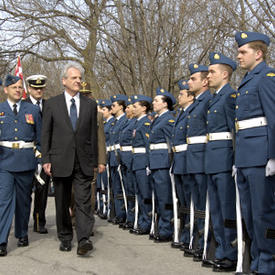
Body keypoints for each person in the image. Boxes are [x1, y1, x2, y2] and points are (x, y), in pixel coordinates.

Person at [41, 63, 98, 256]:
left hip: (83, 161)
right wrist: (46, 159)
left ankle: (83, 239)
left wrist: (95, 160)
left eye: (80, 78)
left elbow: (93, 135)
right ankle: (65, 237)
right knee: (62, 201)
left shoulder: (90, 105)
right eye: (74, 78)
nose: (78, 81)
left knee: (83, 202)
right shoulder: (52, 104)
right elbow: (46, 133)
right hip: (60, 160)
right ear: (64, 80)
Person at [234, 31, 275, 274]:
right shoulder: (248, 79)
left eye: (243, 51)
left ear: (258, 54)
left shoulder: (267, 77)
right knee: (250, 215)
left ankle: (268, 262)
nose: (238, 56)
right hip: (245, 157)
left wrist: (273, 155)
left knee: (263, 213)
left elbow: (273, 118)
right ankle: (258, 261)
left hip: (261, 156)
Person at [0, 75, 41, 256]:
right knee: (3, 201)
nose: (17, 90)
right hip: (4, 161)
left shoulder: (32, 109)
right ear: (5, 89)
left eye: (19, 87)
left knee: (23, 201)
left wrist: (40, 159)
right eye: (14, 87)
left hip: (26, 160)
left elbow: (40, 138)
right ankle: (1, 240)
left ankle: (22, 233)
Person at [205, 52, 237, 271]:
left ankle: (231, 253)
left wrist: (235, 159)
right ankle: (221, 250)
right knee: (216, 209)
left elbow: (234, 130)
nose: (208, 76)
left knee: (226, 210)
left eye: (212, 72)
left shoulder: (229, 96)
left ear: (225, 74)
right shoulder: (215, 97)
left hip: (225, 158)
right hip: (212, 159)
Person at [184, 64, 212, 261]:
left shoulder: (208, 101)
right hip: (193, 158)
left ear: (204, 82)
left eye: (193, 79)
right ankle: (198, 241)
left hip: (203, 158)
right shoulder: (196, 103)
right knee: (196, 204)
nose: (188, 82)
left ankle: (205, 243)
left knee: (204, 203)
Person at [170, 80, 195, 250]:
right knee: (182, 201)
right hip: (178, 160)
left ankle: (192, 235)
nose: (178, 97)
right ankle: (185, 234)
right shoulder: (180, 113)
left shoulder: (191, 111)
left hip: (188, 158)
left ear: (190, 97)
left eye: (181, 94)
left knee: (190, 199)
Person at [149, 88, 176, 242]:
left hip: (163, 163)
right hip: (155, 161)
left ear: (165, 104)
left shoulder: (168, 119)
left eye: (157, 100)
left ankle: (166, 229)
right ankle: (160, 226)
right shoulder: (158, 119)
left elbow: (171, 143)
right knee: (158, 197)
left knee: (164, 197)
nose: (154, 103)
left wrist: (171, 163)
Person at [25, 74, 50, 234]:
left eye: (41, 88)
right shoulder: (22, 105)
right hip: (27, 155)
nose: (38, 90)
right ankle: (23, 222)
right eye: (35, 88)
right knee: (25, 191)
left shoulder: (49, 106)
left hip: (45, 154)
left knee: (43, 190)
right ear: (29, 89)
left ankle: (40, 221)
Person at [130, 95, 152, 235]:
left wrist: (148, 164)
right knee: (139, 193)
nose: (133, 108)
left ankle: (147, 223)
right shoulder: (137, 123)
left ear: (144, 108)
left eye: (136, 106)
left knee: (145, 194)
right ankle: (143, 221)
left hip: (143, 161)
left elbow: (148, 145)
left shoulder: (145, 123)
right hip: (136, 161)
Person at [109, 94, 128, 225]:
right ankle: (117, 213)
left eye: (114, 105)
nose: (112, 107)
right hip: (112, 156)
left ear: (121, 107)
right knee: (115, 187)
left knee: (121, 187)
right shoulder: (115, 122)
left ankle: (122, 214)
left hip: (119, 156)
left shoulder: (125, 120)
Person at [118, 97, 136, 229]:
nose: (128, 109)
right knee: (127, 189)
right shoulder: (128, 122)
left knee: (133, 189)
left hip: (131, 157)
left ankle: (134, 218)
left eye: (130, 107)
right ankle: (130, 217)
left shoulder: (136, 122)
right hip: (123, 157)